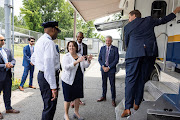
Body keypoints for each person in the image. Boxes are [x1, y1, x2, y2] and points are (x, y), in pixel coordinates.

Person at [121, 6, 180, 117]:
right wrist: (175, 12)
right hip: (148, 54)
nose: (129, 19)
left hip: (134, 54)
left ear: (134, 16)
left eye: (129, 17)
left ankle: (127, 108)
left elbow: (127, 43)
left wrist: (133, 50)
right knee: (141, 79)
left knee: (130, 80)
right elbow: (163, 20)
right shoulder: (149, 20)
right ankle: (137, 103)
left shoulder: (128, 26)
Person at [31, 21, 61, 120]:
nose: (57, 34)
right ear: (53, 29)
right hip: (48, 78)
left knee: (47, 104)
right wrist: (53, 87)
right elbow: (49, 66)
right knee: (49, 107)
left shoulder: (40, 41)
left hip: (43, 76)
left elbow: (33, 59)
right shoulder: (49, 43)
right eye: (57, 31)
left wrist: (41, 66)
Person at [61, 41, 93, 120]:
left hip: (78, 79)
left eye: (73, 46)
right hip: (68, 80)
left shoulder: (79, 55)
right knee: (68, 98)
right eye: (70, 46)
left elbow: (85, 65)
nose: (71, 47)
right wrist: (77, 61)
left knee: (77, 97)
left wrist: (88, 60)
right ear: (68, 47)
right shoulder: (66, 56)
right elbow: (66, 67)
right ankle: (66, 114)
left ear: (76, 47)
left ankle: (76, 113)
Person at [0, 34, 20, 119]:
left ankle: (8, 108)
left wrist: (12, 64)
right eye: (1, 40)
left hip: (8, 76)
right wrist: (5, 66)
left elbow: (13, 59)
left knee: (7, 92)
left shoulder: (7, 50)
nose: (3, 41)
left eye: (4, 39)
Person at [97, 36, 119, 107]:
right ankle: (103, 96)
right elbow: (99, 58)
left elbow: (116, 60)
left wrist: (109, 67)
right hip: (103, 69)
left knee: (112, 85)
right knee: (104, 83)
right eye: (106, 41)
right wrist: (103, 66)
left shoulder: (115, 49)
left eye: (109, 41)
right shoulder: (102, 48)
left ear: (111, 41)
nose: (107, 42)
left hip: (111, 69)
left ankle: (113, 99)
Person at [70, 32, 87, 108]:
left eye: (81, 37)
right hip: (74, 66)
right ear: (76, 37)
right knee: (72, 84)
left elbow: (85, 57)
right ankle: (72, 101)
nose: (80, 38)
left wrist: (86, 58)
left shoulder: (85, 46)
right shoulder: (73, 45)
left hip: (81, 67)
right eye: (78, 37)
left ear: (83, 38)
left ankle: (78, 100)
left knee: (79, 84)